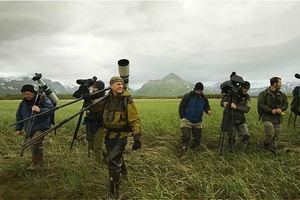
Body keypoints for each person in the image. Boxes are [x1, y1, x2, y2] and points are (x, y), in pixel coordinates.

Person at [99, 76, 141, 196]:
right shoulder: (107, 99)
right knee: (117, 158)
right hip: (108, 135)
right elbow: (96, 108)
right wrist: (88, 97)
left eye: (121, 84)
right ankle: (125, 175)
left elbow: (134, 119)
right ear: (111, 86)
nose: (120, 86)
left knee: (112, 162)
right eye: (117, 84)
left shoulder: (126, 99)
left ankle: (114, 192)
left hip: (121, 136)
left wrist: (137, 137)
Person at [15, 84, 53, 169]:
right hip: (29, 128)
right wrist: (18, 129)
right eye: (24, 94)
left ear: (33, 92)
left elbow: (50, 110)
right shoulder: (23, 103)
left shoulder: (43, 99)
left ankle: (36, 164)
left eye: (28, 94)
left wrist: (40, 110)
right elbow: (19, 116)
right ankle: (38, 163)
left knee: (35, 142)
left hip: (41, 127)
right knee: (32, 144)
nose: (26, 96)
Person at [178, 82, 212, 155]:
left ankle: (193, 152)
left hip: (198, 122)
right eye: (198, 91)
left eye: (201, 91)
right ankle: (183, 152)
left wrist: (208, 111)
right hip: (186, 120)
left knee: (197, 139)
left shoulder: (204, 98)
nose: (200, 92)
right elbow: (181, 106)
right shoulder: (188, 96)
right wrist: (182, 117)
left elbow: (206, 106)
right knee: (186, 137)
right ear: (195, 90)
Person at [257, 77, 288, 154]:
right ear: (275, 84)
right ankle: (265, 146)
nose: (281, 84)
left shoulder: (282, 94)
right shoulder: (263, 94)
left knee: (277, 135)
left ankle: (273, 149)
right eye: (280, 83)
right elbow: (261, 105)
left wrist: (281, 109)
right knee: (270, 133)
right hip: (267, 117)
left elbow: (286, 104)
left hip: (278, 118)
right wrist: (271, 110)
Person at [221, 81, 251, 152]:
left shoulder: (247, 97)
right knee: (232, 137)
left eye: (248, 88)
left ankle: (241, 152)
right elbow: (222, 102)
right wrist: (223, 103)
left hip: (241, 120)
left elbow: (247, 109)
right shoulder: (231, 93)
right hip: (230, 119)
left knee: (246, 135)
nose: (246, 90)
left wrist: (236, 107)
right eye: (245, 88)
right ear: (241, 87)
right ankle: (231, 151)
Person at [85, 80, 106, 163]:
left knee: (97, 147)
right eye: (93, 87)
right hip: (90, 124)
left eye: (95, 88)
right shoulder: (92, 96)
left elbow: (94, 105)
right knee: (91, 146)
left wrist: (88, 99)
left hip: (99, 125)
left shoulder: (103, 98)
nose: (93, 89)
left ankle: (97, 164)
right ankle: (107, 155)